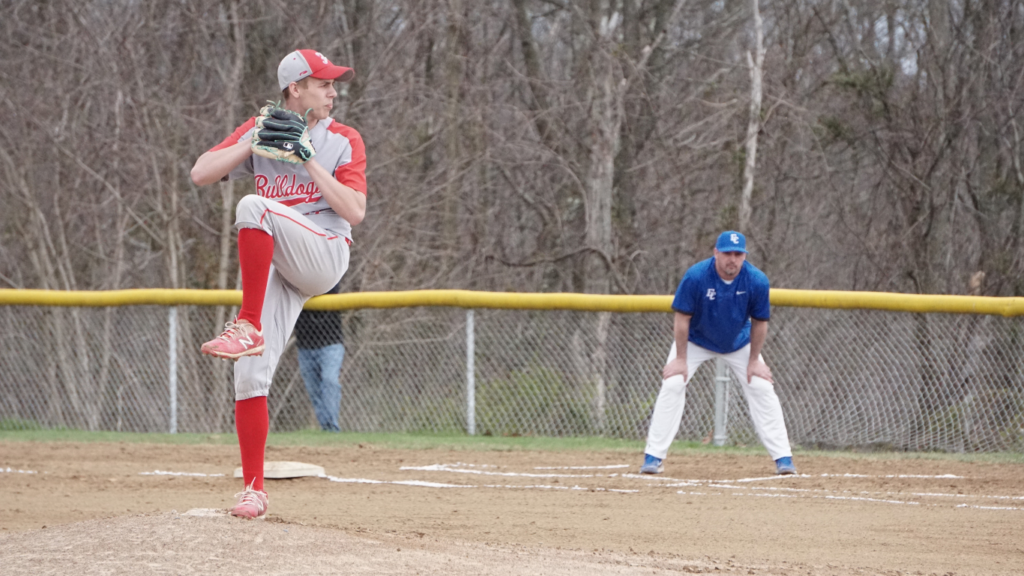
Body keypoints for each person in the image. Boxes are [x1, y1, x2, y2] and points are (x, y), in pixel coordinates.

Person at [189, 49, 366, 519]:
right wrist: (253, 141)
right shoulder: (264, 129)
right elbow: (200, 172)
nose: (333, 91)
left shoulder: (343, 139)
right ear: (295, 89)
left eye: (333, 84)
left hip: (325, 252)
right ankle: (253, 490)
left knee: (253, 207)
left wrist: (309, 161)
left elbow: (354, 212)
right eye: (323, 83)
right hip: (282, 265)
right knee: (248, 373)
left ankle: (246, 322)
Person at [640, 231, 796, 476]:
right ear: (716, 253)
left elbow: (760, 322)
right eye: (727, 253)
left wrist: (754, 360)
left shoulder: (756, 280)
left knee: (762, 387)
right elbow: (682, 318)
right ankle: (653, 457)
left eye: (738, 254)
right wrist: (680, 359)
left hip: (738, 341)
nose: (732, 259)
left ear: (744, 256)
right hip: (695, 340)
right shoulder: (696, 276)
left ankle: (783, 459)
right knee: (672, 384)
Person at [295, 282, 346, 432]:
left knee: (330, 381)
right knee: (314, 390)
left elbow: (331, 286)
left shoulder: (328, 275)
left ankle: (332, 427)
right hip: (304, 346)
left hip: (331, 343)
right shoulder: (292, 277)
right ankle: (327, 428)